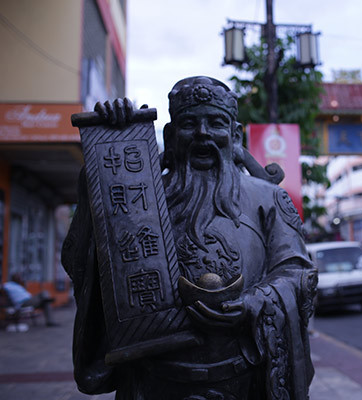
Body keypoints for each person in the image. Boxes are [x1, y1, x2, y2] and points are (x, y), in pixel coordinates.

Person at [61, 76, 317, 400]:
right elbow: (83, 263)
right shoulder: (139, 198)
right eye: (189, 124)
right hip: (151, 381)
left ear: (235, 135)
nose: (203, 134)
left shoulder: (268, 198)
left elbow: (298, 273)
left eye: (216, 123)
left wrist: (252, 304)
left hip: (245, 379)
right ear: (170, 136)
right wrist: (108, 155)